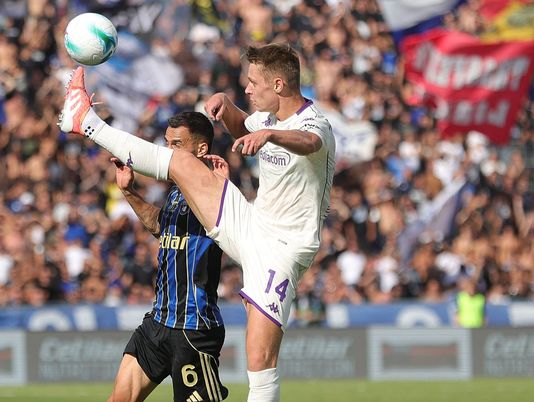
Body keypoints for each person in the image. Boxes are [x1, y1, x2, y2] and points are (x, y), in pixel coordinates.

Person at [60, 43, 335, 402]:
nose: (248, 89)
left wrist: (269, 136)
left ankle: (86, 122)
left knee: (260, 363)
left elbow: (308, 143)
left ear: (279, 85)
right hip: (251, 224)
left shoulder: (314, 124)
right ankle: (87, 123)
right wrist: (227, 106)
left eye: (253, 83)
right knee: (184, 162)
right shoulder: (266, 120)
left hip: (281, 252)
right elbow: (243, 129)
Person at [107, 111, 230, 402]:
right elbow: (160, 227)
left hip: (193, 329)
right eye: (166, 143)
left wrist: (222, 188)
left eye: (177, 144)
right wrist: (129, 192)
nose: (167, 152)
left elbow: (227, 225)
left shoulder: (217, 190)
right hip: (158, 323)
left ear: (201, 149)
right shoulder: (176, 192)